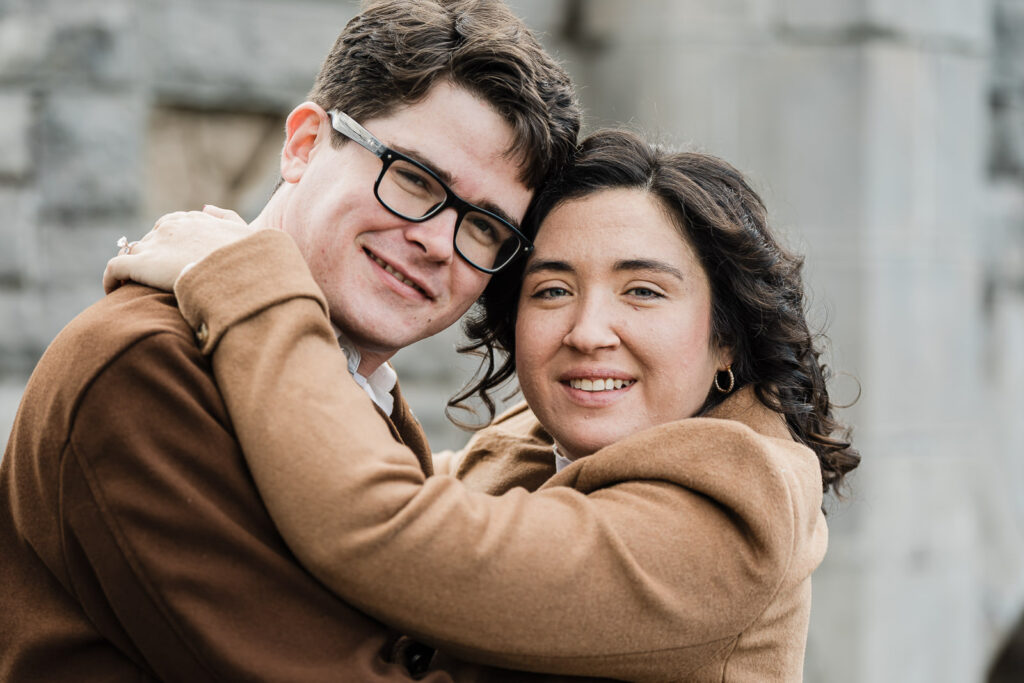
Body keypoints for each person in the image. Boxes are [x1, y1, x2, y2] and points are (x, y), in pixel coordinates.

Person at [108, 130, 861, 681]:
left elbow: (387, 531)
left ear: (727, 339)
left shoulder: (732, 514)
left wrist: (247, 285)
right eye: (552, 289)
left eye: (643, 290)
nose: (589, 332)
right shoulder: (534, 448)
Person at [0, 1, 580, 680]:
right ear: (304, 144)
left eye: (484, 226)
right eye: (415, 179)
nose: (435, 241)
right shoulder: (150, 368)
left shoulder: (353, 396)